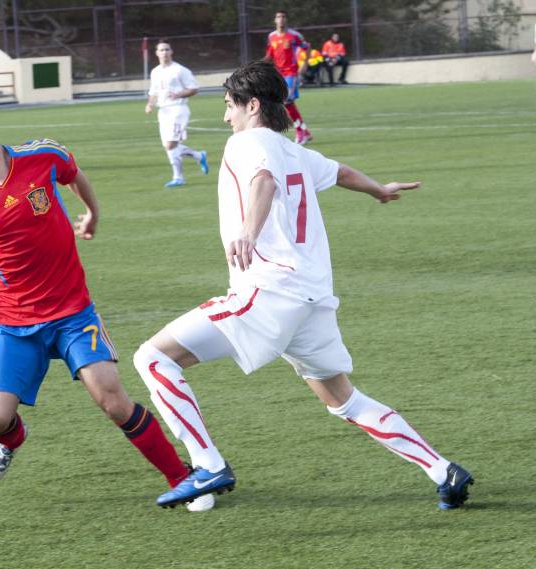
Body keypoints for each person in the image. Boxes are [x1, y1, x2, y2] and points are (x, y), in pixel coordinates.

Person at [132, 61, 474, 511]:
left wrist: (249, 232)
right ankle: (442, 469)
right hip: (313, 300)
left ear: (252, 106)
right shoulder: (294, 150)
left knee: (153, 358)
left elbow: (263, 182)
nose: (225, 117)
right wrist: (378, 190)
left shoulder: (246, 142)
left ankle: (208, 464)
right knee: (342, 399)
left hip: (269, 292)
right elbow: (342, 172)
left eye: (229, 106)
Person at [0, 93, 214, 513]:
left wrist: (92, 214)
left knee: (112, 398)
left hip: (73, 314)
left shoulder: (43, 156)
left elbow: (74, 174)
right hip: (14, 322)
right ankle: (11, 439)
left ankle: (183, 478)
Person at [145, 40, 209, 188]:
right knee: (169, 146)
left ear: (171, 51)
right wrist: (149, 104)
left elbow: (193, 88)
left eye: (167, 49)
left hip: (178, 110)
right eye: (161, 50)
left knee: (170, 144)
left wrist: (178, 94)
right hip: (163, 111)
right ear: (156, 53)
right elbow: (153, 92)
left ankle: (178, 177)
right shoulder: (155, 72)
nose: (164, 52)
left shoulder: (180, 70)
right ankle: (199, 156)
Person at [264, 10, 313, 145]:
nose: (281, 19)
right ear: (275, 20)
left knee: (286, 101)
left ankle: (300, 132)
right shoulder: (271, 37)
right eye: (278, 16)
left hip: (291, 73)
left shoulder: (294, 36)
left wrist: (305, 64)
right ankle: (304, 131)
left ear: (286, 20)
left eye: (283, 17)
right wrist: (260, 66)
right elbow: (269, 55)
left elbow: (307, 47)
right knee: (285, 103)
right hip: (278, 74)